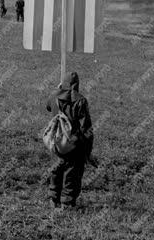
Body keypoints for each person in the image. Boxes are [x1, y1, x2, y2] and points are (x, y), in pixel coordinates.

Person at [46, 72, 94, 209]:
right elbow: (86, 128)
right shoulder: (81, 100)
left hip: (57, 140)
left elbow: (48, 106)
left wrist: (56, 90)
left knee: (56, 169)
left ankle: (53, 199)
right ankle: (67, 203)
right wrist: (88, 151)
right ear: (77, 85)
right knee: (73, 172)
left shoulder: (55, 96)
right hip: (74, 143)